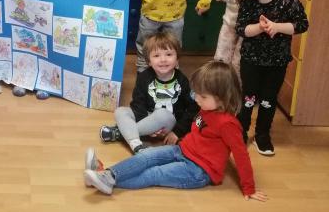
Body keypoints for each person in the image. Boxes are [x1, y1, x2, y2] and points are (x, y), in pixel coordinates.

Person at [84, 61, 267, 201]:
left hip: (198, 170)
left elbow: (241, 155)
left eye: (202, 96)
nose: (197, 99)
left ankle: (102, 179)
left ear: (222, 98)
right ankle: (106, 175)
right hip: (182, 150)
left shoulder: (228, 125)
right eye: (196, 94)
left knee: (154, 173)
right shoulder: (206, 107)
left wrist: (249, 188)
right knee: (146, 156)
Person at [227, 0, 309, 155]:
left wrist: (277, 27)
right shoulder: (248, 2)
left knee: (268, 99)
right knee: (248, 98)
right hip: (251, 60)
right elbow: (241, 29)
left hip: (277, 62)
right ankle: (240, 131)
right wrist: (260, 27)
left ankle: (262, 135)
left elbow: (301, 24)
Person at [100, 31, 198, 154]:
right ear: (149, 61)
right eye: (156, 56)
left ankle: (121, 133)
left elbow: (193, 108)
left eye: (169, 54)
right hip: (146, 121)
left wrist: (177, 132)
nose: (163, 59)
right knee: (121, 111)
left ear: (177, 58)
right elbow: (137, 103)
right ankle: (137, 146)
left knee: (162, 113)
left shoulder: (182, 80)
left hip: (167, 124)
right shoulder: (143, 77)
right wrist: (148, 127)